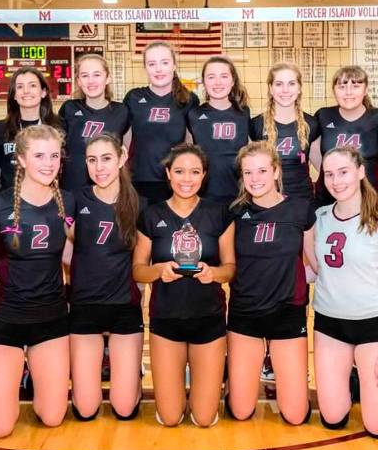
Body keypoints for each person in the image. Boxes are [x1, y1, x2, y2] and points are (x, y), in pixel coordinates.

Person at [305, 146, 378, 437]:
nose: (336, 181)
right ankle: (355, 384)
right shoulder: (319, 218)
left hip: (373, 327)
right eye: (329, 174)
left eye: (343, 172)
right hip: (330, 325)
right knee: (332, 418)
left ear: (361, 172)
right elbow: (317, 270)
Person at [0, 124, 73, 437]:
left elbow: (75, 258)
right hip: (4, 318)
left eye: (54, 156)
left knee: (52, 417)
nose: (48, 163)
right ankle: (11, 376)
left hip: (51, 319)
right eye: (39, 155)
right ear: (20, 159)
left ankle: (37, 376)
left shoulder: (69, 204)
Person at [133, 143, 235, 427]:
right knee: (169, 418)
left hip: (209, 320)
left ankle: (209, 386)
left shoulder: (219, 214)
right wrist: (158, 270)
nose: (186, 178)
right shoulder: (151, 215)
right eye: (179, 171)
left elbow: (230, 269)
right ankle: (177, 394)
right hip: (166, 320)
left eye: (194, 172)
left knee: (203, 419)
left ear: (204, 176)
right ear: (168, 173)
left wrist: (213, 273)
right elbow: (138, 270)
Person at [226, 141, 313, 425]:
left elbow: (315, 262)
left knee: (296, 415)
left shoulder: (300, 210)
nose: (255, 178)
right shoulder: (234, 214)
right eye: (248, 172)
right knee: (240, 411)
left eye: (262, 170)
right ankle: (233, 381)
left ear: (276, 171)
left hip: (287, 314)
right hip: (245, 314)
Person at [67, 133, 145, 420]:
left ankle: (131, 369)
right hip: (85, 307)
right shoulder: (75, 201)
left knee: (124, 409)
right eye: (92, 160)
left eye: (106, 158)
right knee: (86, 410)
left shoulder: (140, 205)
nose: (99, 167)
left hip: (124, 307)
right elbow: (63, 247)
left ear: (122, 157)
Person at [124, 41, 198, 203]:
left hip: (176, 182)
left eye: (164, 63)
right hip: (139, 180)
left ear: (174, 65)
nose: (158, 69)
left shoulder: (188, 99)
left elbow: (192, 141)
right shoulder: (134, 98)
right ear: (145, 67)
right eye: (152, 64)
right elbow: (124, 139)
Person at [314, 66, 378, 203]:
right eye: (342, 87)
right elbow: (314, 153)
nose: (348, 92)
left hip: (368, 199)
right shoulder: (323, 116)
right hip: (329, 198)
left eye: (355, 86)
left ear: (366, 90)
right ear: (334, 91)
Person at [58, 54, 130, 191]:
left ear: (108, 78)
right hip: (72, 188)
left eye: (96, 75)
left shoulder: (121, 111)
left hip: (108, 189)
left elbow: (127, 147)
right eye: (84, 76)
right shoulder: (69, 108)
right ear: (78, 81)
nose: (91, 81)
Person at [250, 63, 320, 203]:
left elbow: (322, 167)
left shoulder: (311, 124)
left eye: (292, 83)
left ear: (299, 88)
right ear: (270, 88)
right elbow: (249, 168)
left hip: (302, 199)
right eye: (279, 84)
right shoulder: (255, 125)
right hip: (267, 199)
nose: (285, 90)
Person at [187, 56, 251, 205]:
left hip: (239, 195)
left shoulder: (244, 113)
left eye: (224, 76)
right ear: (203, 81)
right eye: (211, 77)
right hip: (203, 194)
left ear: (233, 80)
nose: (217, 82)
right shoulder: (193, 114)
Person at [0, 66, 62, 192]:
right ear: (14, 95)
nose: (26, 91)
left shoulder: (59, 126)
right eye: (20, 87)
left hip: (49, 199)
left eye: (32, 85)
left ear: (43, 92)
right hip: (10, 200)